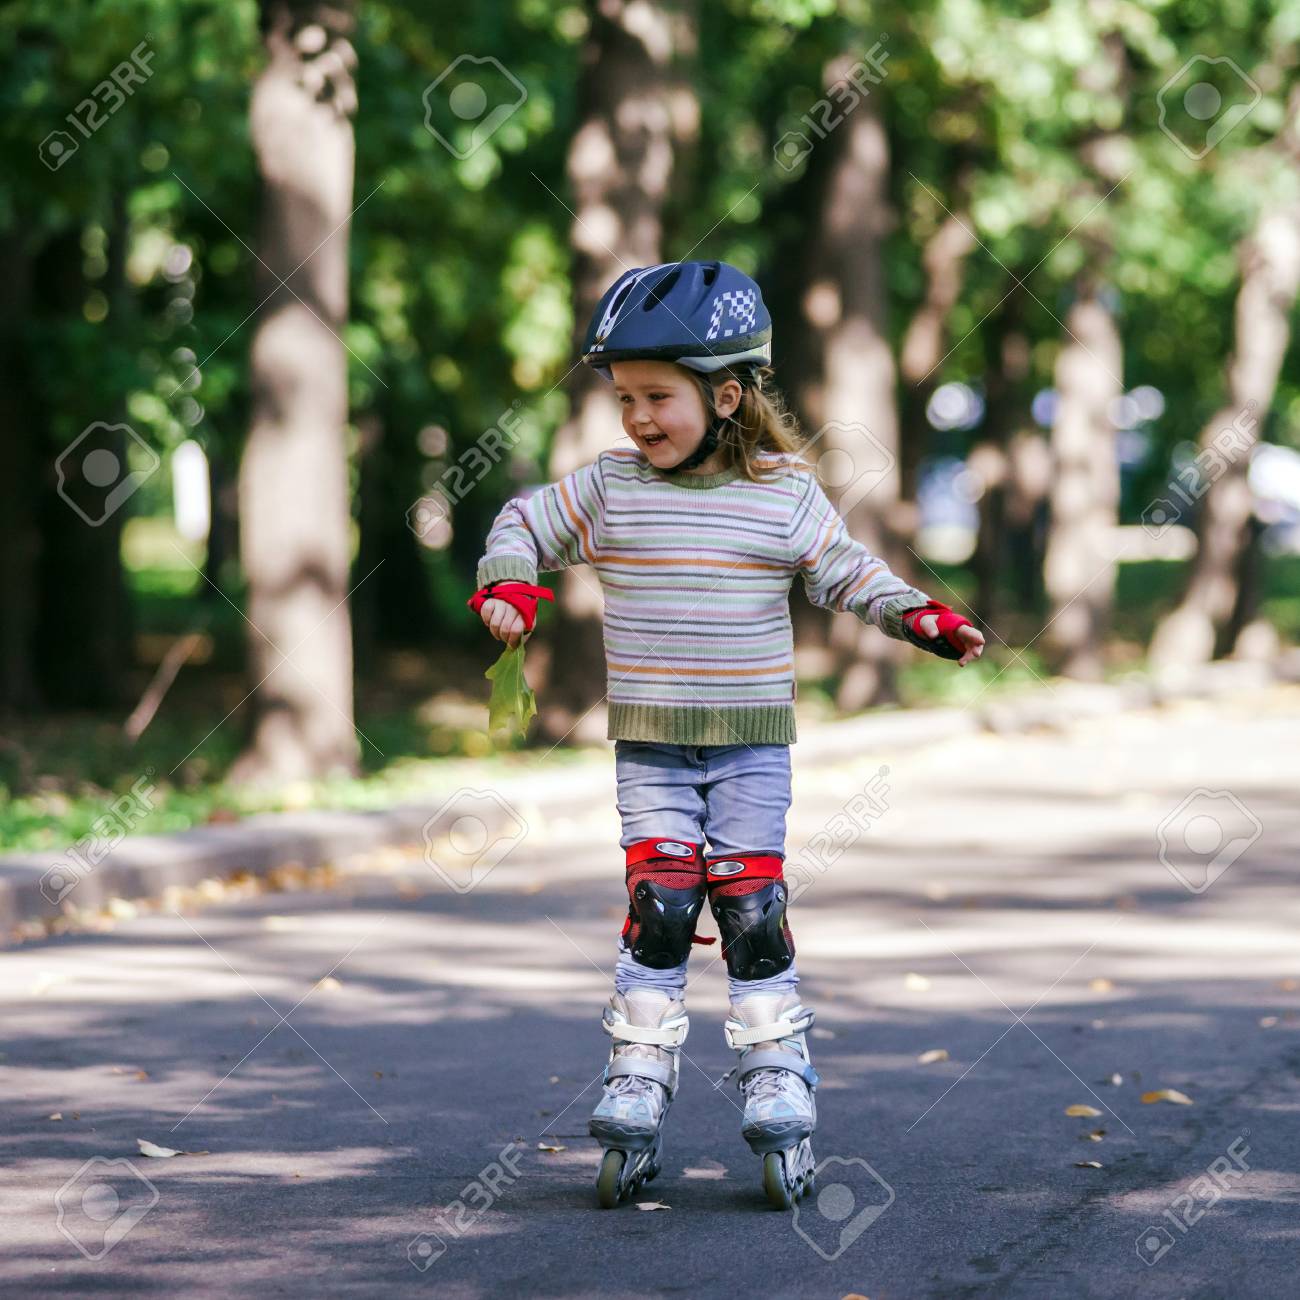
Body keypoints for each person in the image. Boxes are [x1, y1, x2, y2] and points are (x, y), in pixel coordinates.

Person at [467, 260, 984, 1208]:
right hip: (653, 744)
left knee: (750, 901)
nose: (637, 418)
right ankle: (637, 1073)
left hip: (751, 746)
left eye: (658, 396)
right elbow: (520, 521)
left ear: (729, 394)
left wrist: (919, 617)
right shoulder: (611, 490)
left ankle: (777, 1068)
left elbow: (845, 571)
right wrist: (508, 583)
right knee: (660, 899)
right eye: (624, 397)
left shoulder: (783, 494)